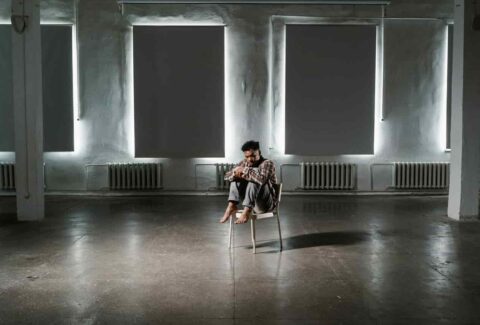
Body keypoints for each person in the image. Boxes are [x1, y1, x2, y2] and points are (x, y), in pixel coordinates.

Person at [219, 140, 278, 224]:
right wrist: (235, 174)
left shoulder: (267, 163)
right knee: (236, 177)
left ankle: (246, 211)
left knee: (255, 175)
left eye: (253, 156)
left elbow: (262, 180)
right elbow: (226, 176)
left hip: (265, 204)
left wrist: (245, 170)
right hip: (249, 201)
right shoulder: (243, 163)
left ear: (259, 153)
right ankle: (231, 205)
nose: (250, 159)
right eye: (247, 157)